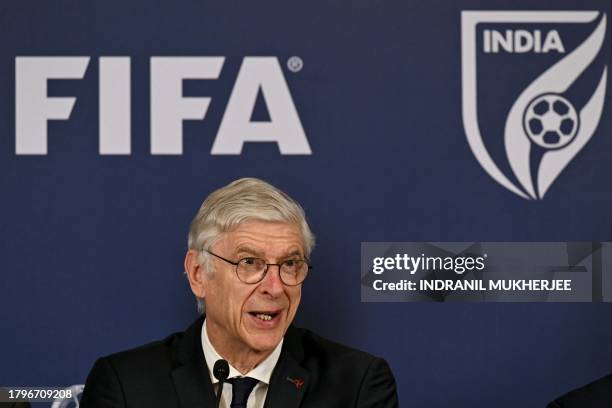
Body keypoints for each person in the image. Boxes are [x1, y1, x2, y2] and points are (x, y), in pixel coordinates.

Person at [80, 178, 398, 407]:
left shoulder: (357, 384)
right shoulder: (125, 385)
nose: (275, 287)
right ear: (198, 273)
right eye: (249, 262)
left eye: (289, 264)